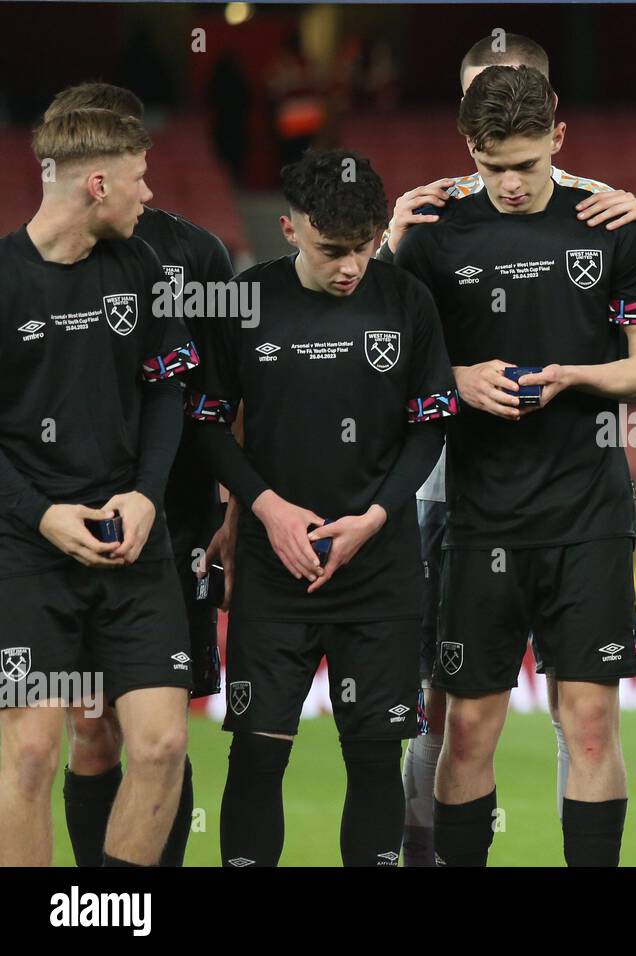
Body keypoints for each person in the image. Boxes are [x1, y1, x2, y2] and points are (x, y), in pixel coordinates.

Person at [379, 31, 636, 866]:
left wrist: (573, 377)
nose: (512, 184)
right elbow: (382, 370)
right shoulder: (431, 235)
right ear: (468, 150)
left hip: (587, 510)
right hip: (474, 514)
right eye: (494, 168)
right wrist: (455, 378)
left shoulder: (611, 226)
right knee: (468, 725)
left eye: (525, 163)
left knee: (590, 722)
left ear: (559, 135)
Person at [189, 149, 455, 866]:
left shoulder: (406, 301)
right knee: (256, 755)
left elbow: (430, 423)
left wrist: (374, 517)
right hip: (275, 570)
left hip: (380, 569)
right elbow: (209, 422)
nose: (351, 266)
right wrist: (266, 509)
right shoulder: (245, 304)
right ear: (288, 229)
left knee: (373, 761)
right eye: (333, 250)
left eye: (365, 248)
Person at [41, 81, 235, 869]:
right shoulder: (37, 264)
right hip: (71, 520)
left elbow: (221, 391)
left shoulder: (199, 253)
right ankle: (98, 905)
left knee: (161, 732)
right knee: (90, 726)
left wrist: (231, 509)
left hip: (180, 514)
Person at [0, 107, 197, 866]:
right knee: (29, 755)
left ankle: (110, 914)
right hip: (25, 548)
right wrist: (41, 514)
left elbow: (166, 390)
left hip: (130, 539)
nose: (148, 194)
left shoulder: (141, 267)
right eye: (139, 178)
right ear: (97, 182)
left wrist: (147, 493)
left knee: (161, 745)